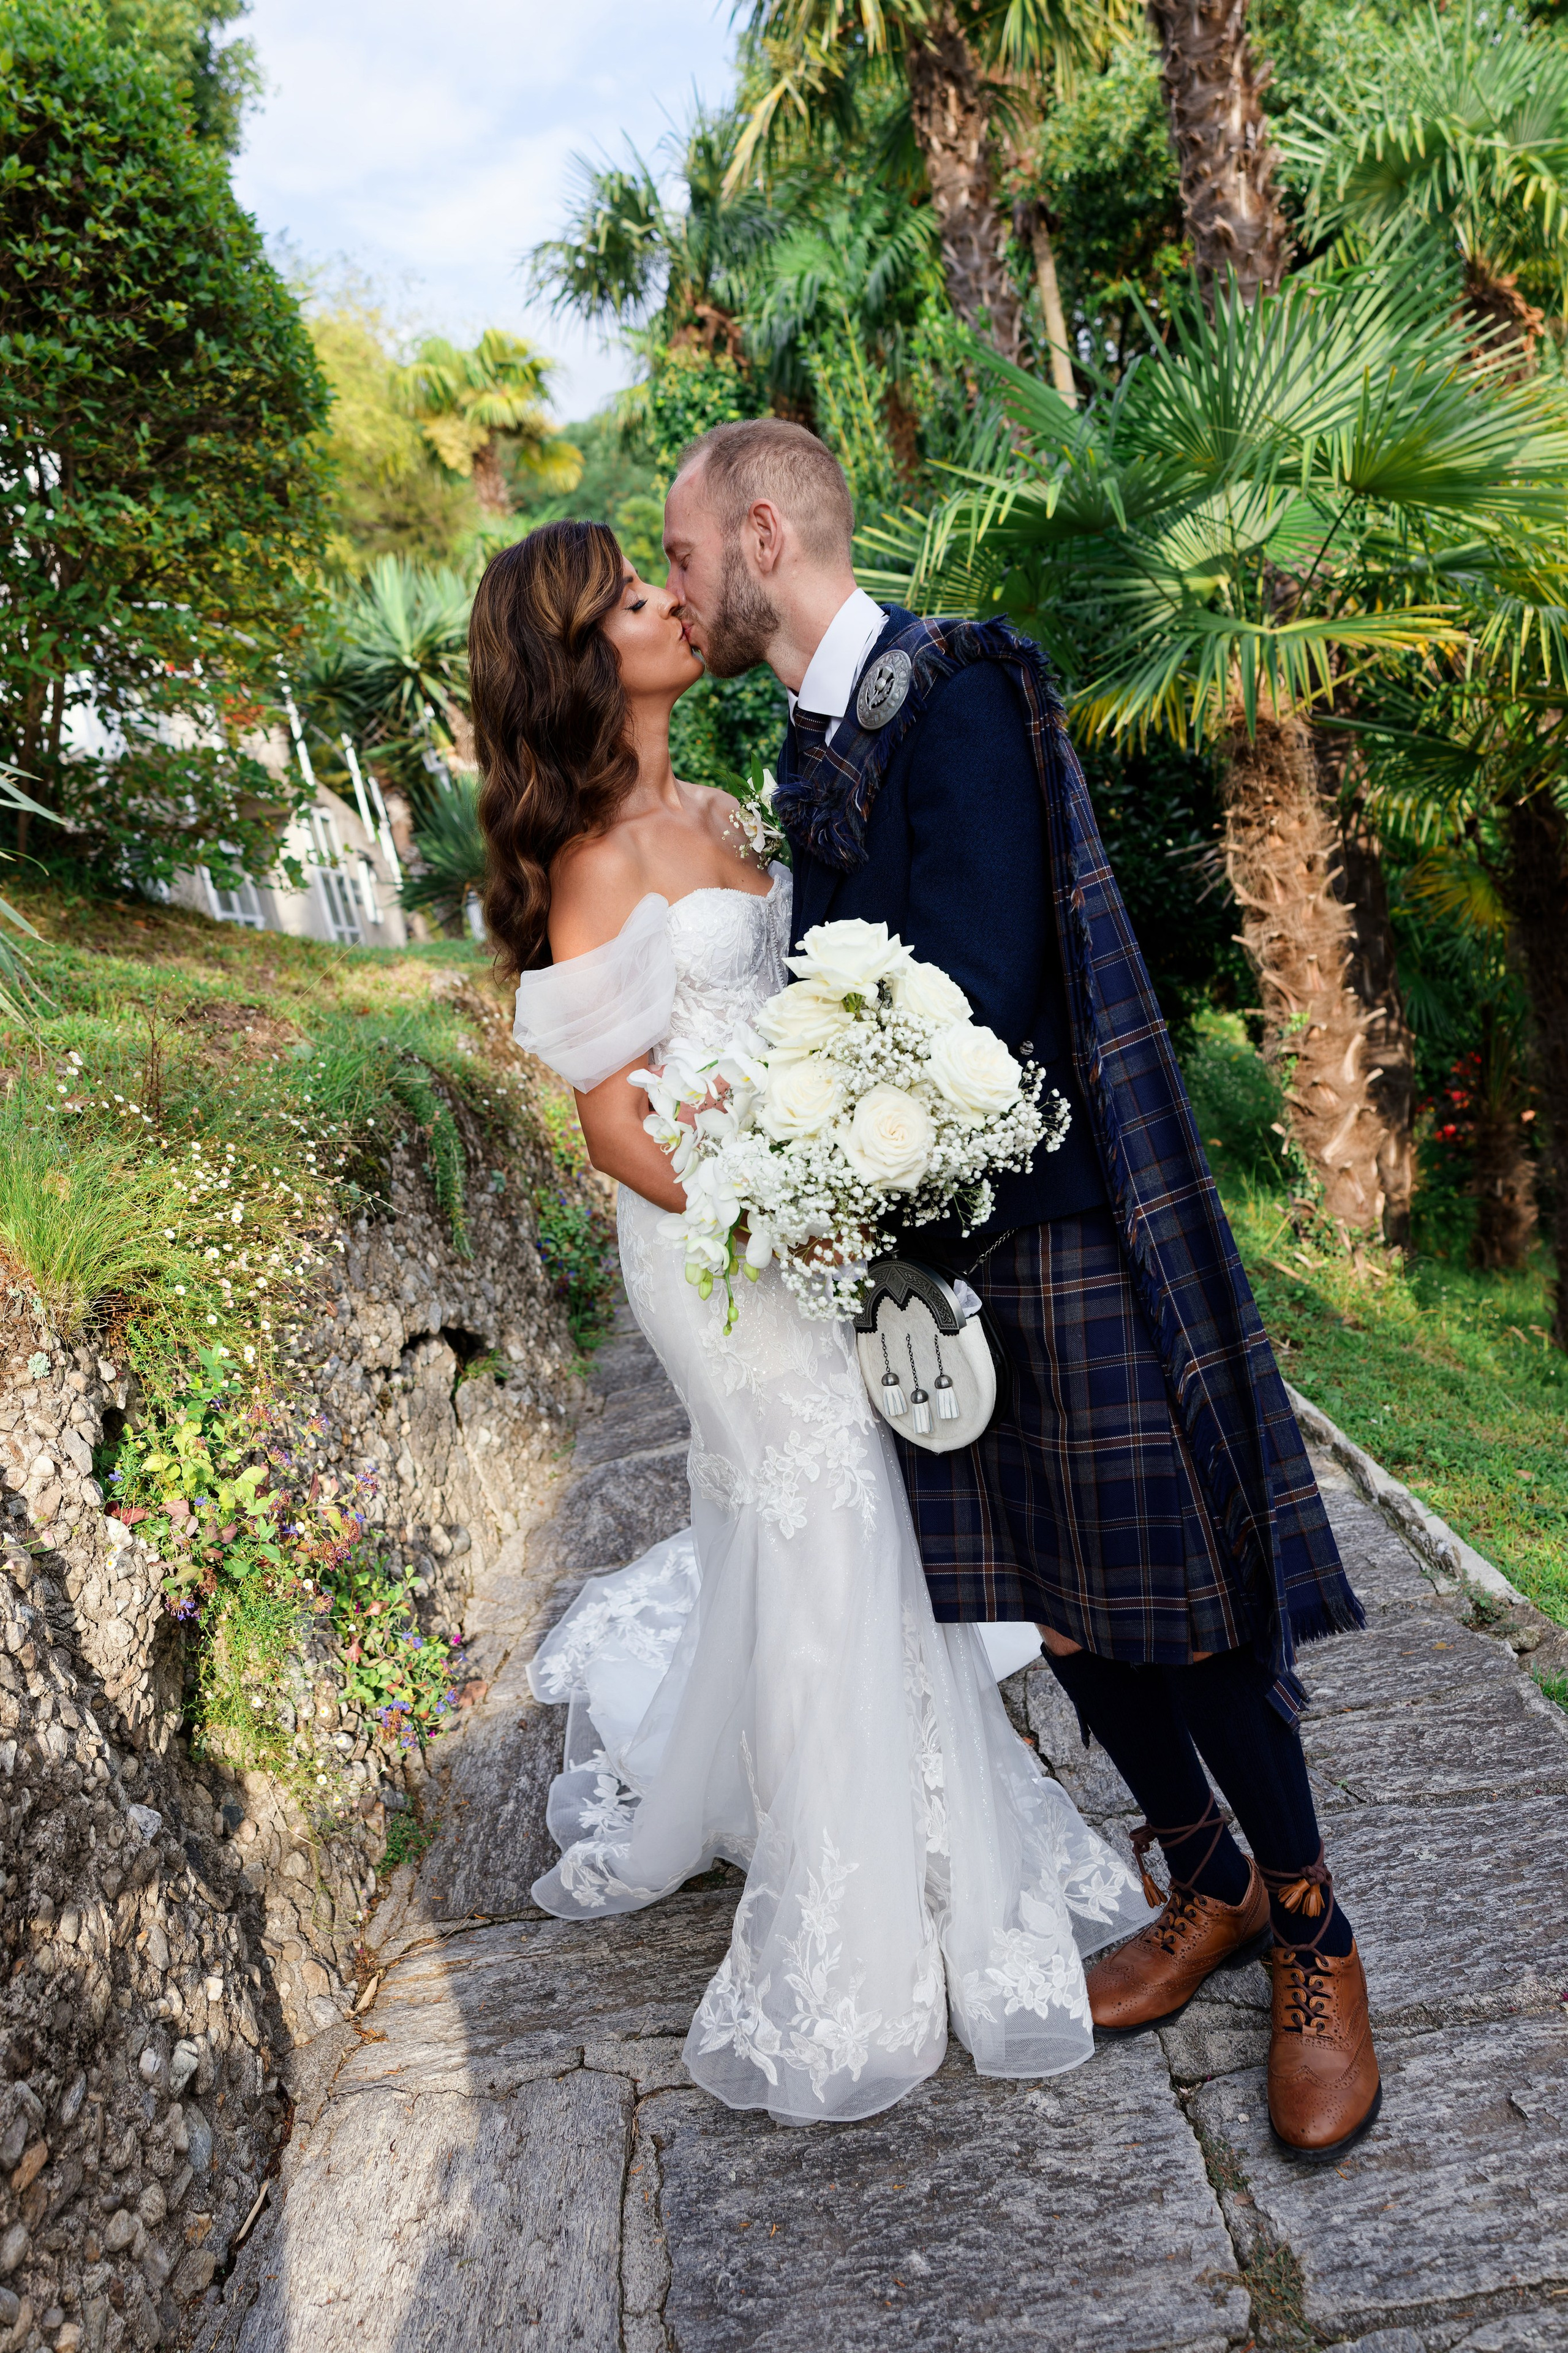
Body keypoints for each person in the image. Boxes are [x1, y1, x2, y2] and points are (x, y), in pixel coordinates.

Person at [661, 418, 1382, 2165]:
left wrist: (802, 1125)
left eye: (682, 554)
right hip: (920, 1264)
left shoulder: (952, 688)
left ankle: (1311, 1933)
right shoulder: (811, 730)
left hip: (1052, 1232)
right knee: (1054, 1617)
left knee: (1188, 1613)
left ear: (764, 533)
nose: (673, 587)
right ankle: (1200, 1881)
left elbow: (972, 985)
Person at [475, 517, 1155, 2128]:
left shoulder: (714, 808)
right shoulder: (589, 861)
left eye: (661, 578)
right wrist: (774, 1207)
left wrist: (850, 1138)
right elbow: (616, 1128)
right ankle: (856, 1913)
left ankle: (921, 1819)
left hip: (803, 1210)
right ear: (586, 657)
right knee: (831, 1510)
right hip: (716, 1247)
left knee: (867, 1522)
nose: (666, 601)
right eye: (633, 598)